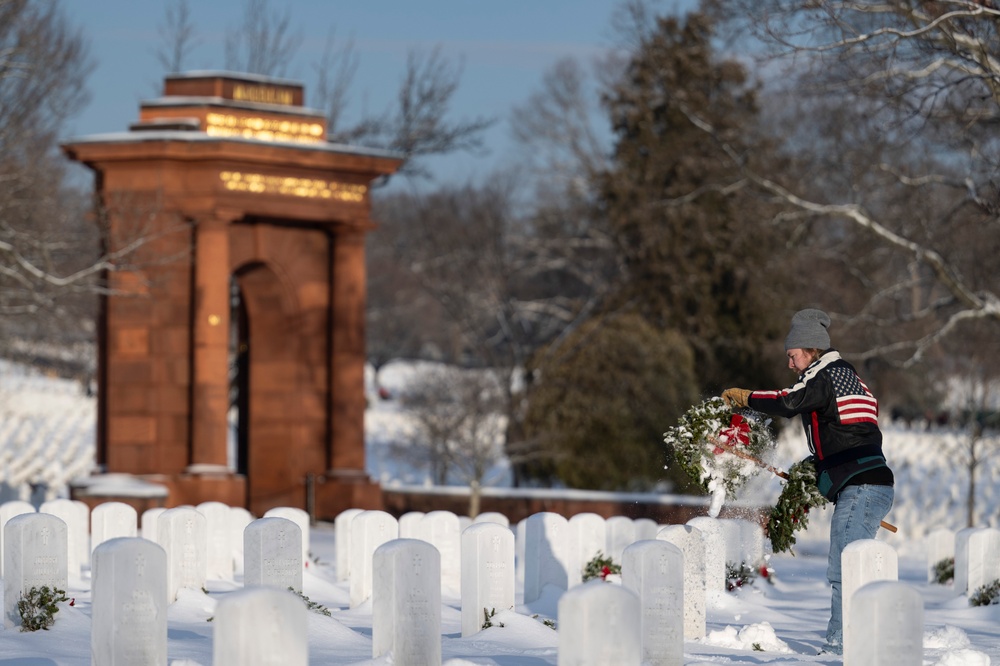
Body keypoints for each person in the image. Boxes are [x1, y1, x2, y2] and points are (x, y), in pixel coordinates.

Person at [722, 308, 894, 655]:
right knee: (854, 567)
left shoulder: (826, 375)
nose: (789, 364)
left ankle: (841, 648)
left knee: (843, 570)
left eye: (792, 355)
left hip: (861, 487)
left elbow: (789, 402)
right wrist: (818, 473)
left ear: (811, 349)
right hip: (869, 485)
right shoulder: (848, 375)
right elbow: (848, 435)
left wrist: (746, 396)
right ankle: (856, 641)